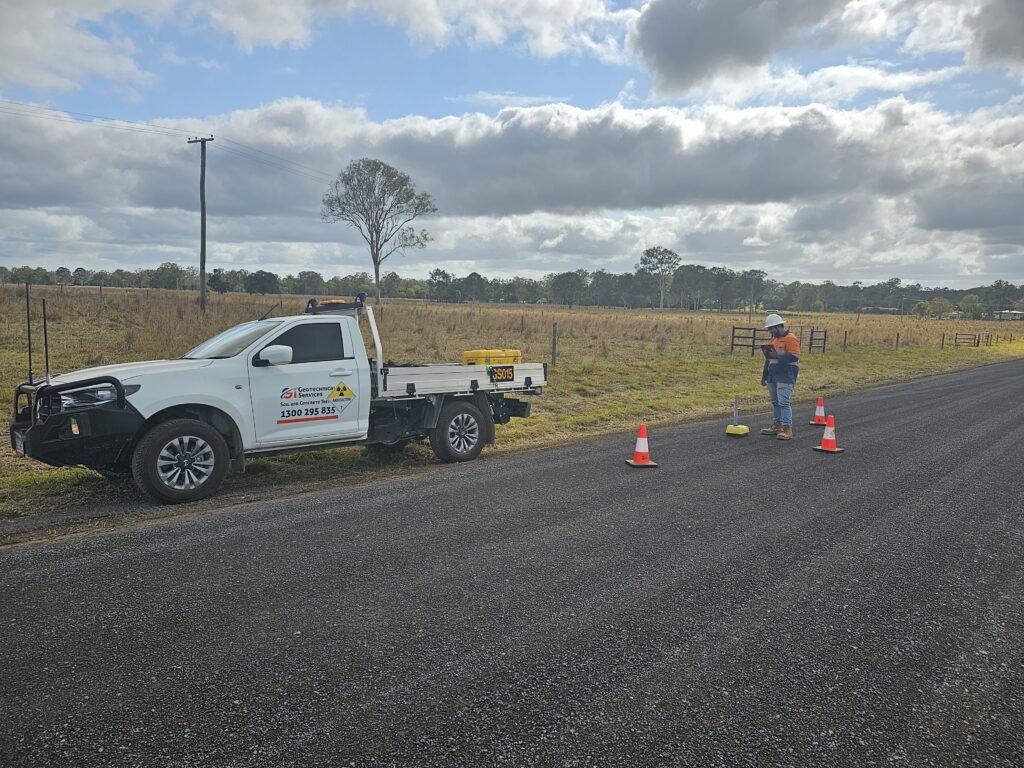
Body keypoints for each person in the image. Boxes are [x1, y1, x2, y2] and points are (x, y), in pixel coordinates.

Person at [759, 313, 800, 440]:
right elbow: (768, 360)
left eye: (772, 328)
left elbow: (794, 356)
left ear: (779, 326)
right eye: (769, 329)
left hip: (785, 374)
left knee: (783, 402)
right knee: (775, 402)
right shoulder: (774, 340)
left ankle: (787, 428)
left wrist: (777, 357)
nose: (771, 331)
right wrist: (764, 375)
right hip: (773, 375)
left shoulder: (791, 338)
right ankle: (777, 425)